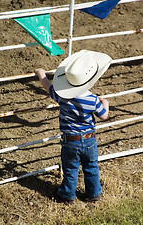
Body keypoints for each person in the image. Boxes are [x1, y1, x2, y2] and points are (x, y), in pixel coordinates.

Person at [35, 50, 112, 205]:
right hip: (90, 139)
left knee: (70, 169)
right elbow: (103, 116)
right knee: (91, 167)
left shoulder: (62, 95)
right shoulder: (92, 100)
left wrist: (41, 74)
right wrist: (105, 103)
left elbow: (48, 88)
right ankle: (93, 194)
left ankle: (66, 196)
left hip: (70, 140)